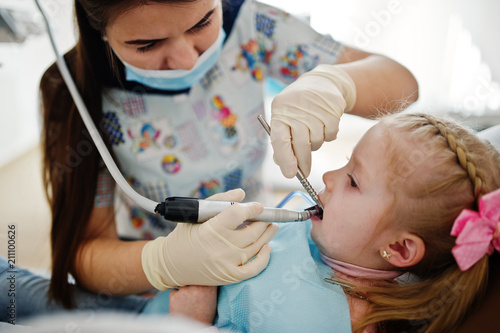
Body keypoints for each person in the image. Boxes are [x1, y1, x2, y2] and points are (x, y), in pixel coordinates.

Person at [38, 0, 418, 310]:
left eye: (203, 22)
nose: (187, 58)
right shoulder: (72, 92)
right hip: (155, 287)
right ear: (99, 30)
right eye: (147, 45)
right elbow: (84, 254)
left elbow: (404, 84)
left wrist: (338, 83)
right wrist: (164, 262)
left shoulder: (252, 26)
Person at [141, 112, 500, 333]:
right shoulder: (327, 234)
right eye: (346, 163)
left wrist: (190, 322)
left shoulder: (320, 323)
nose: (328, 176)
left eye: (354, 181)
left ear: (398, 248)